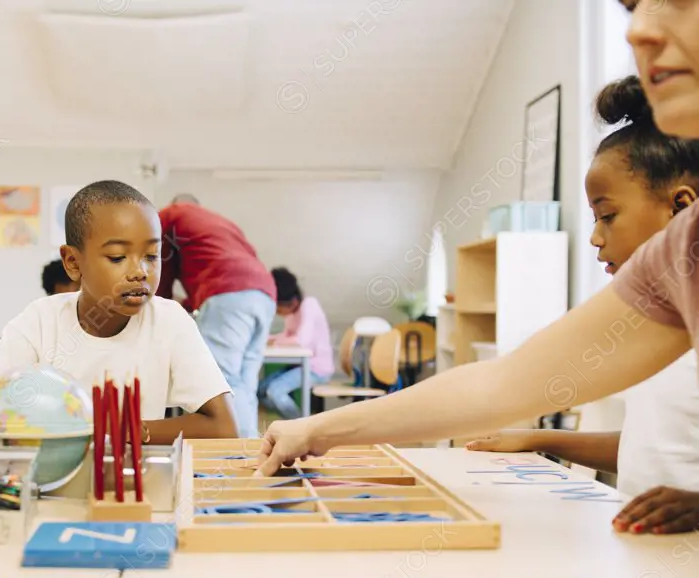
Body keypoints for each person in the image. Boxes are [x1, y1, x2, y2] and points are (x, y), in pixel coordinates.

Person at [256, 0, 699, 535]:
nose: (640, 29)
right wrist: (319, 428)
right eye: (630, 7)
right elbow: (504, 383)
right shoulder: (681, 250)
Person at [464, 75, 699, 526]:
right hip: (647, 555)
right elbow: (648, 444)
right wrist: (540, 440)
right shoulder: (655, 323)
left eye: (608, 217)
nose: (594, 238)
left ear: (682, 208)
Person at [0, 181, 237, 447]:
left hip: (127, 489)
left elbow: (223, 428)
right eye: (117, 258)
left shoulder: (170, 321)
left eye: (151, 256)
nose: (140, 272)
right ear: (73, 262)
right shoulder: (38, 322)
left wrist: (124, 431)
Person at [156, 193, 276, 438]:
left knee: (220, 382)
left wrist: (159, 310)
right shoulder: (220, 223)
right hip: (263, 293)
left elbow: (161, 273)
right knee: (244, 383)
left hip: (227, 292)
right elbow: (222, 268)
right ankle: (248, 450)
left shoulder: (169, 215)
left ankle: (231, 456)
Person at [259, 267, 334, 420]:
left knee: (275, 392)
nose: (276, 312)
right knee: (260, 391)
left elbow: (301, 341)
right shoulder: (293, 313)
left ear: (291, 302)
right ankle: (293, 421)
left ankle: (301, 425)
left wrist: (277, 341)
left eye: (277, 307)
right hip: (299, 365)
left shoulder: (309, 305)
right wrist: (271, 338)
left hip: (316, 368)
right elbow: (288, 335)